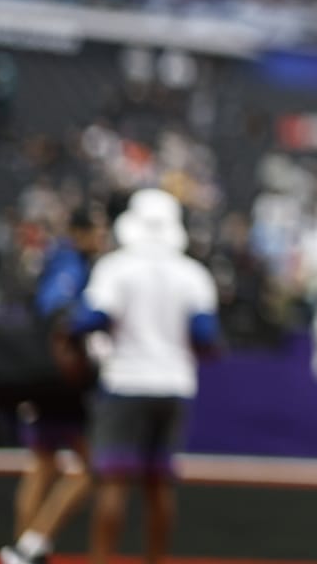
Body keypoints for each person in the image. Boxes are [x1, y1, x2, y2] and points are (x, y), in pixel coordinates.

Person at [71, 188, 219, 564]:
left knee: (114, 481)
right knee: (159, 486)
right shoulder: (193, 274)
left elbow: (91, 319)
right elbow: (205, 336)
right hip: (174, 385)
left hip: (125, 382)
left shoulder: (116, 267)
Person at [1, 206, 107, 564]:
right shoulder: (69, 264)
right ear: (79, 233)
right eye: (96, 231)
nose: (101, 238)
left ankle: (21, 549)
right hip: (60, 380)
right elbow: (58, 313)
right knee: (95, 465)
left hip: (43, 375)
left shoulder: (60, 259)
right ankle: (32, 542)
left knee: (44, 462)